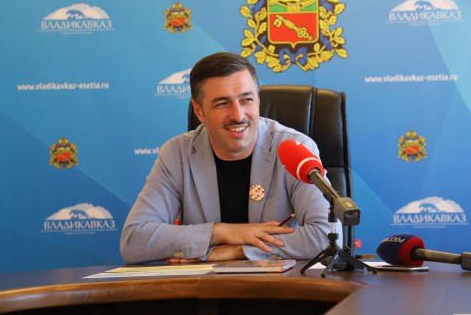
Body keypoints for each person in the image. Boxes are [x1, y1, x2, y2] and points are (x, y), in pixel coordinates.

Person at [120, 52, 340, 264]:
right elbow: (133, 241)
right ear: (199, 111)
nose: (238, 115)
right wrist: (223, 232)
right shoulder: (177, 154)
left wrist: (239, 251)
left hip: (277, 285)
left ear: (258, 100)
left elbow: (328, 236)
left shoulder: (294, 149)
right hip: (204, 288)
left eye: (246, 100)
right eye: (222, 103)